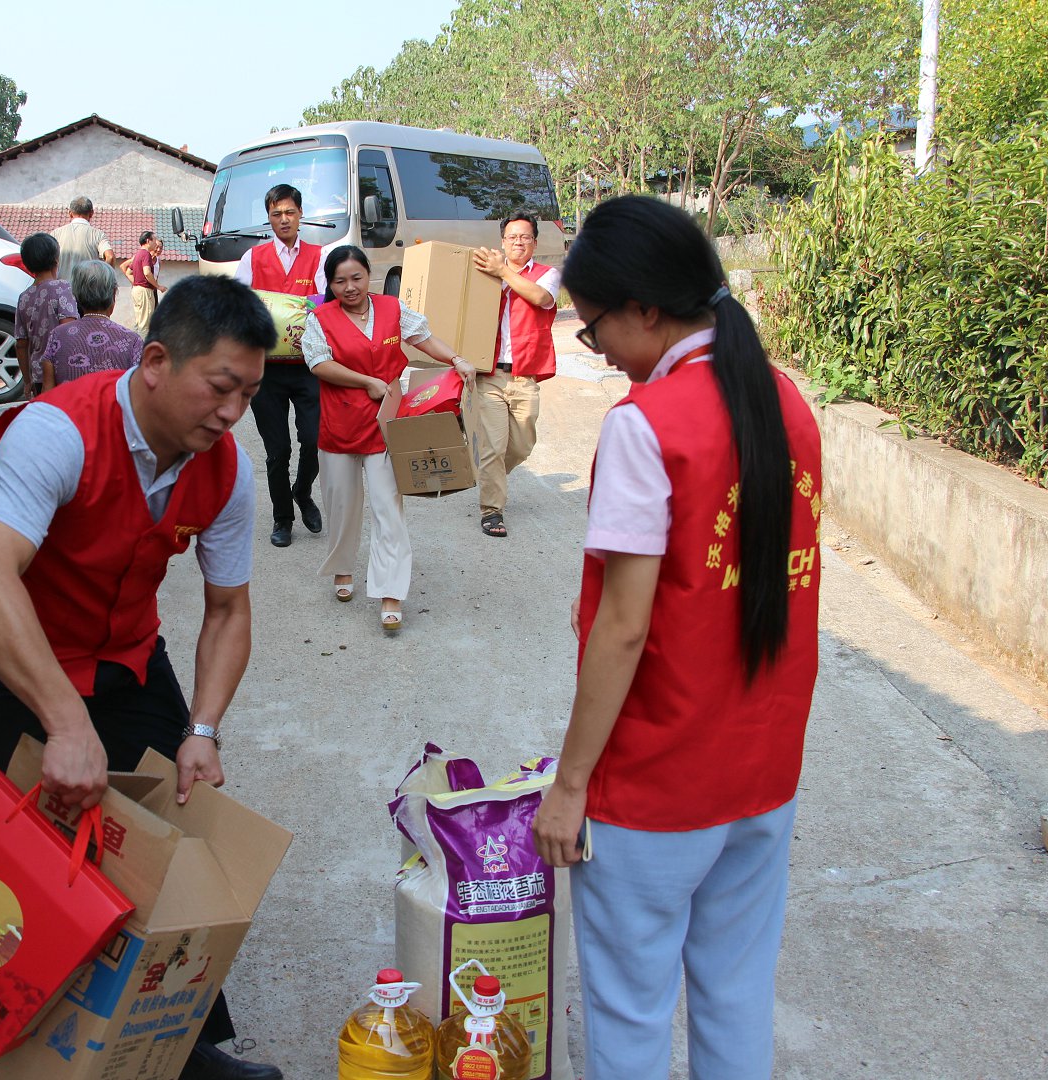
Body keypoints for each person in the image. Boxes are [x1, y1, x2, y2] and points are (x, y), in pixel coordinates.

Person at [0, 275, 284, 1080]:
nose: (234, 412)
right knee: (16, 880)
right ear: (158, 360)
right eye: (222, 388)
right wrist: (66, 724)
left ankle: (178, 1051)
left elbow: (228, 610)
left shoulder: (226, 467)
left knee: (167, 854)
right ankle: (7, 1048)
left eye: (250, 393)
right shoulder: (55, 431)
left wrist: (201, 729)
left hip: (127, 660)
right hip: (11, 665)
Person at [529, 195, 823, 1080]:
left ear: (648, 309)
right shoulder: (785, 403)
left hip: (657, 786)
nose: (601, 349)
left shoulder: (645, 426)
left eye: (596, 327)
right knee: (737, 999)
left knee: (629, 1017)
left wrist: (569, 786)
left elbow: (623, 628)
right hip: (762, 775)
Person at [303, 245, 474, 633]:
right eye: (340, 280)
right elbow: (318, 363)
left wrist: (456, 359)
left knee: (388, 508)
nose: (349, 287)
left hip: (386, 424)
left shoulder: (393, 309)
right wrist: (367, 381)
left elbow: (423, 338)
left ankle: (391, 592)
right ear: (329, 284)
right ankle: (343, 568)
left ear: (369, 275)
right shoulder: (321, 318)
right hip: (341, 424)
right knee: (342, 505)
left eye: (356, 278)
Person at [233, 183, 324, 547]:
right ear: (268, 217)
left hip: (308, 366)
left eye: (289, 212)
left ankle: (302, 491)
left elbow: (325, 304)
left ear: (300, 214)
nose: (283, 219)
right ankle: (282, 517)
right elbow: (238, 306)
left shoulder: (320, 256)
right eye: (276, 214)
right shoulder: (251, 259)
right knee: (277, 451)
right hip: (266, 370)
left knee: (314, 439)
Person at [469, 212, 561, 538]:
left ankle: (489, 477)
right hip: (490, 374)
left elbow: (541, 298)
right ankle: (491, 510)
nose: (518, 242)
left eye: (524, 237)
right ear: (502, 242)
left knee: (522, 446)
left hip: (525, 376)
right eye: (512, 237)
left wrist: (503, 271)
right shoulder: (484, 275)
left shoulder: (548, 274)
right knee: (494, 446)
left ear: (535, 242)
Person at [41, 261, 145, 390]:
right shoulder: (133, 341)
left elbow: (47, 395)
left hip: (68, 410)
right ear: (113, 294)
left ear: (76, 296)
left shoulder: (57, 336)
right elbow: (139, 397)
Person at [13, 232, 79, 397]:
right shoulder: (63, 288)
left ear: (27, 265)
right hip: (64, 371)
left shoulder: (24, 297)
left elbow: (21, 343)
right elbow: (69, 329)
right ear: (56, 260)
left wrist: (27, 380)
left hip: (38, 373)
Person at [51, 195, 119, 285]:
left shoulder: (56, 234)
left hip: (61, 291)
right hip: (87, 291)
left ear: (70, 213)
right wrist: (102, 280)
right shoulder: (97, 234)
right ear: (91, 213)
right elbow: (110, 257)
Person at [126, 231, 166, 337]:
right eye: (154, 240)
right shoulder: (146, 254)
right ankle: (143, 351)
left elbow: (128, 272)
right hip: (145, 291)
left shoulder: (138, 254)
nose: (155, 244)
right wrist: (158, 286)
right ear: (148, 241)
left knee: (140, 323)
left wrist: (136, 283)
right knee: (145, 325)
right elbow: (147, 272)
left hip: (137, 290)